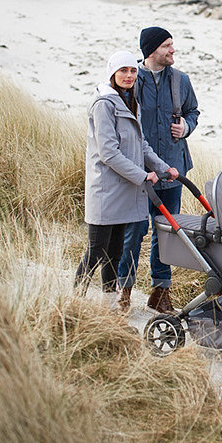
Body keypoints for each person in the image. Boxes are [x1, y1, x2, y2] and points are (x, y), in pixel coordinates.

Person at [79, 50, 177, 310]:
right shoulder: (104, 105)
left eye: (133, 71)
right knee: (96, 252)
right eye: (123, 71)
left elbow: (141, 144)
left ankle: (109, 305)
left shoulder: (129, 101)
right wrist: (143, 175)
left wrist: (164, 167)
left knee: (114, 254)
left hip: (124, 190)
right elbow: (109, 153)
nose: (129, 75)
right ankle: (74, 300)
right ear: (113, 73)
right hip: (106, 190)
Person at [118, 26, 200, 314]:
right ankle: (124, 291)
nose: (173, 50)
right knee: (134, 231)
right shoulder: (130, 79)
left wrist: (186, 127)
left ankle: (160, 293)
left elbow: (193, 112)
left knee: (167, 233)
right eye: (167, 46)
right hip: (139, 173)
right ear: (151, 50)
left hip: (173, 169)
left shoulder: (181, 81)